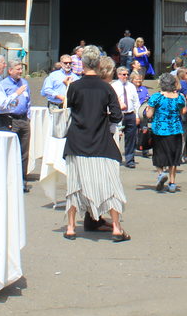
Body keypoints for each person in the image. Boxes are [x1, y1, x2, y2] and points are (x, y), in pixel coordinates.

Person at [61, 45, 129, 241]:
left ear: (82, 63)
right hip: (100, 142)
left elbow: (69, 109)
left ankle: (71, 227)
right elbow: (116, 116)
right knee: (110, 182)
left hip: (77, 141)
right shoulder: (106, 88)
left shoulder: (74, 86)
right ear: (99, 63)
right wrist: (102, 117)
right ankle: (116, 227)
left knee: (74, 184)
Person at [145, 72, 187, 193]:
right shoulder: (179, 97)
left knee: (159, 154)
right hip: (175, 130)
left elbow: (149, 114)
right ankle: (172, 183)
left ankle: (160, 174)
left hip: (159, 130)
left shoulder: (156, 97)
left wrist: (147, 109)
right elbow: (183, 111)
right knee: (173, 157)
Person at [3, 55, 32, 192]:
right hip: (11, 120)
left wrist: (29, 117)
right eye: (18, 69)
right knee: (10, 151)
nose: (20, 71)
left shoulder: (24, 83)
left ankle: (23, 180)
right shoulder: (4, 85)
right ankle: (9, 180)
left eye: (21, 69)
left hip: (24, 120)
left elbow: (29, 101)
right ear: (10, 71)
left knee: (24, 152)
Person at [112, 65, 139, 168]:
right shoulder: (114, 86)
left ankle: (130, 159)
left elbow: (136, 102)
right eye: (123, 74)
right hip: (119, 115)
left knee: (131, 138)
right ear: (118, 75)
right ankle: (115, 158)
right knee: (116, 137)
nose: (126, 76)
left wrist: (136, 115)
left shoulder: (131, 86)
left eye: (127, 74)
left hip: (130, 114)